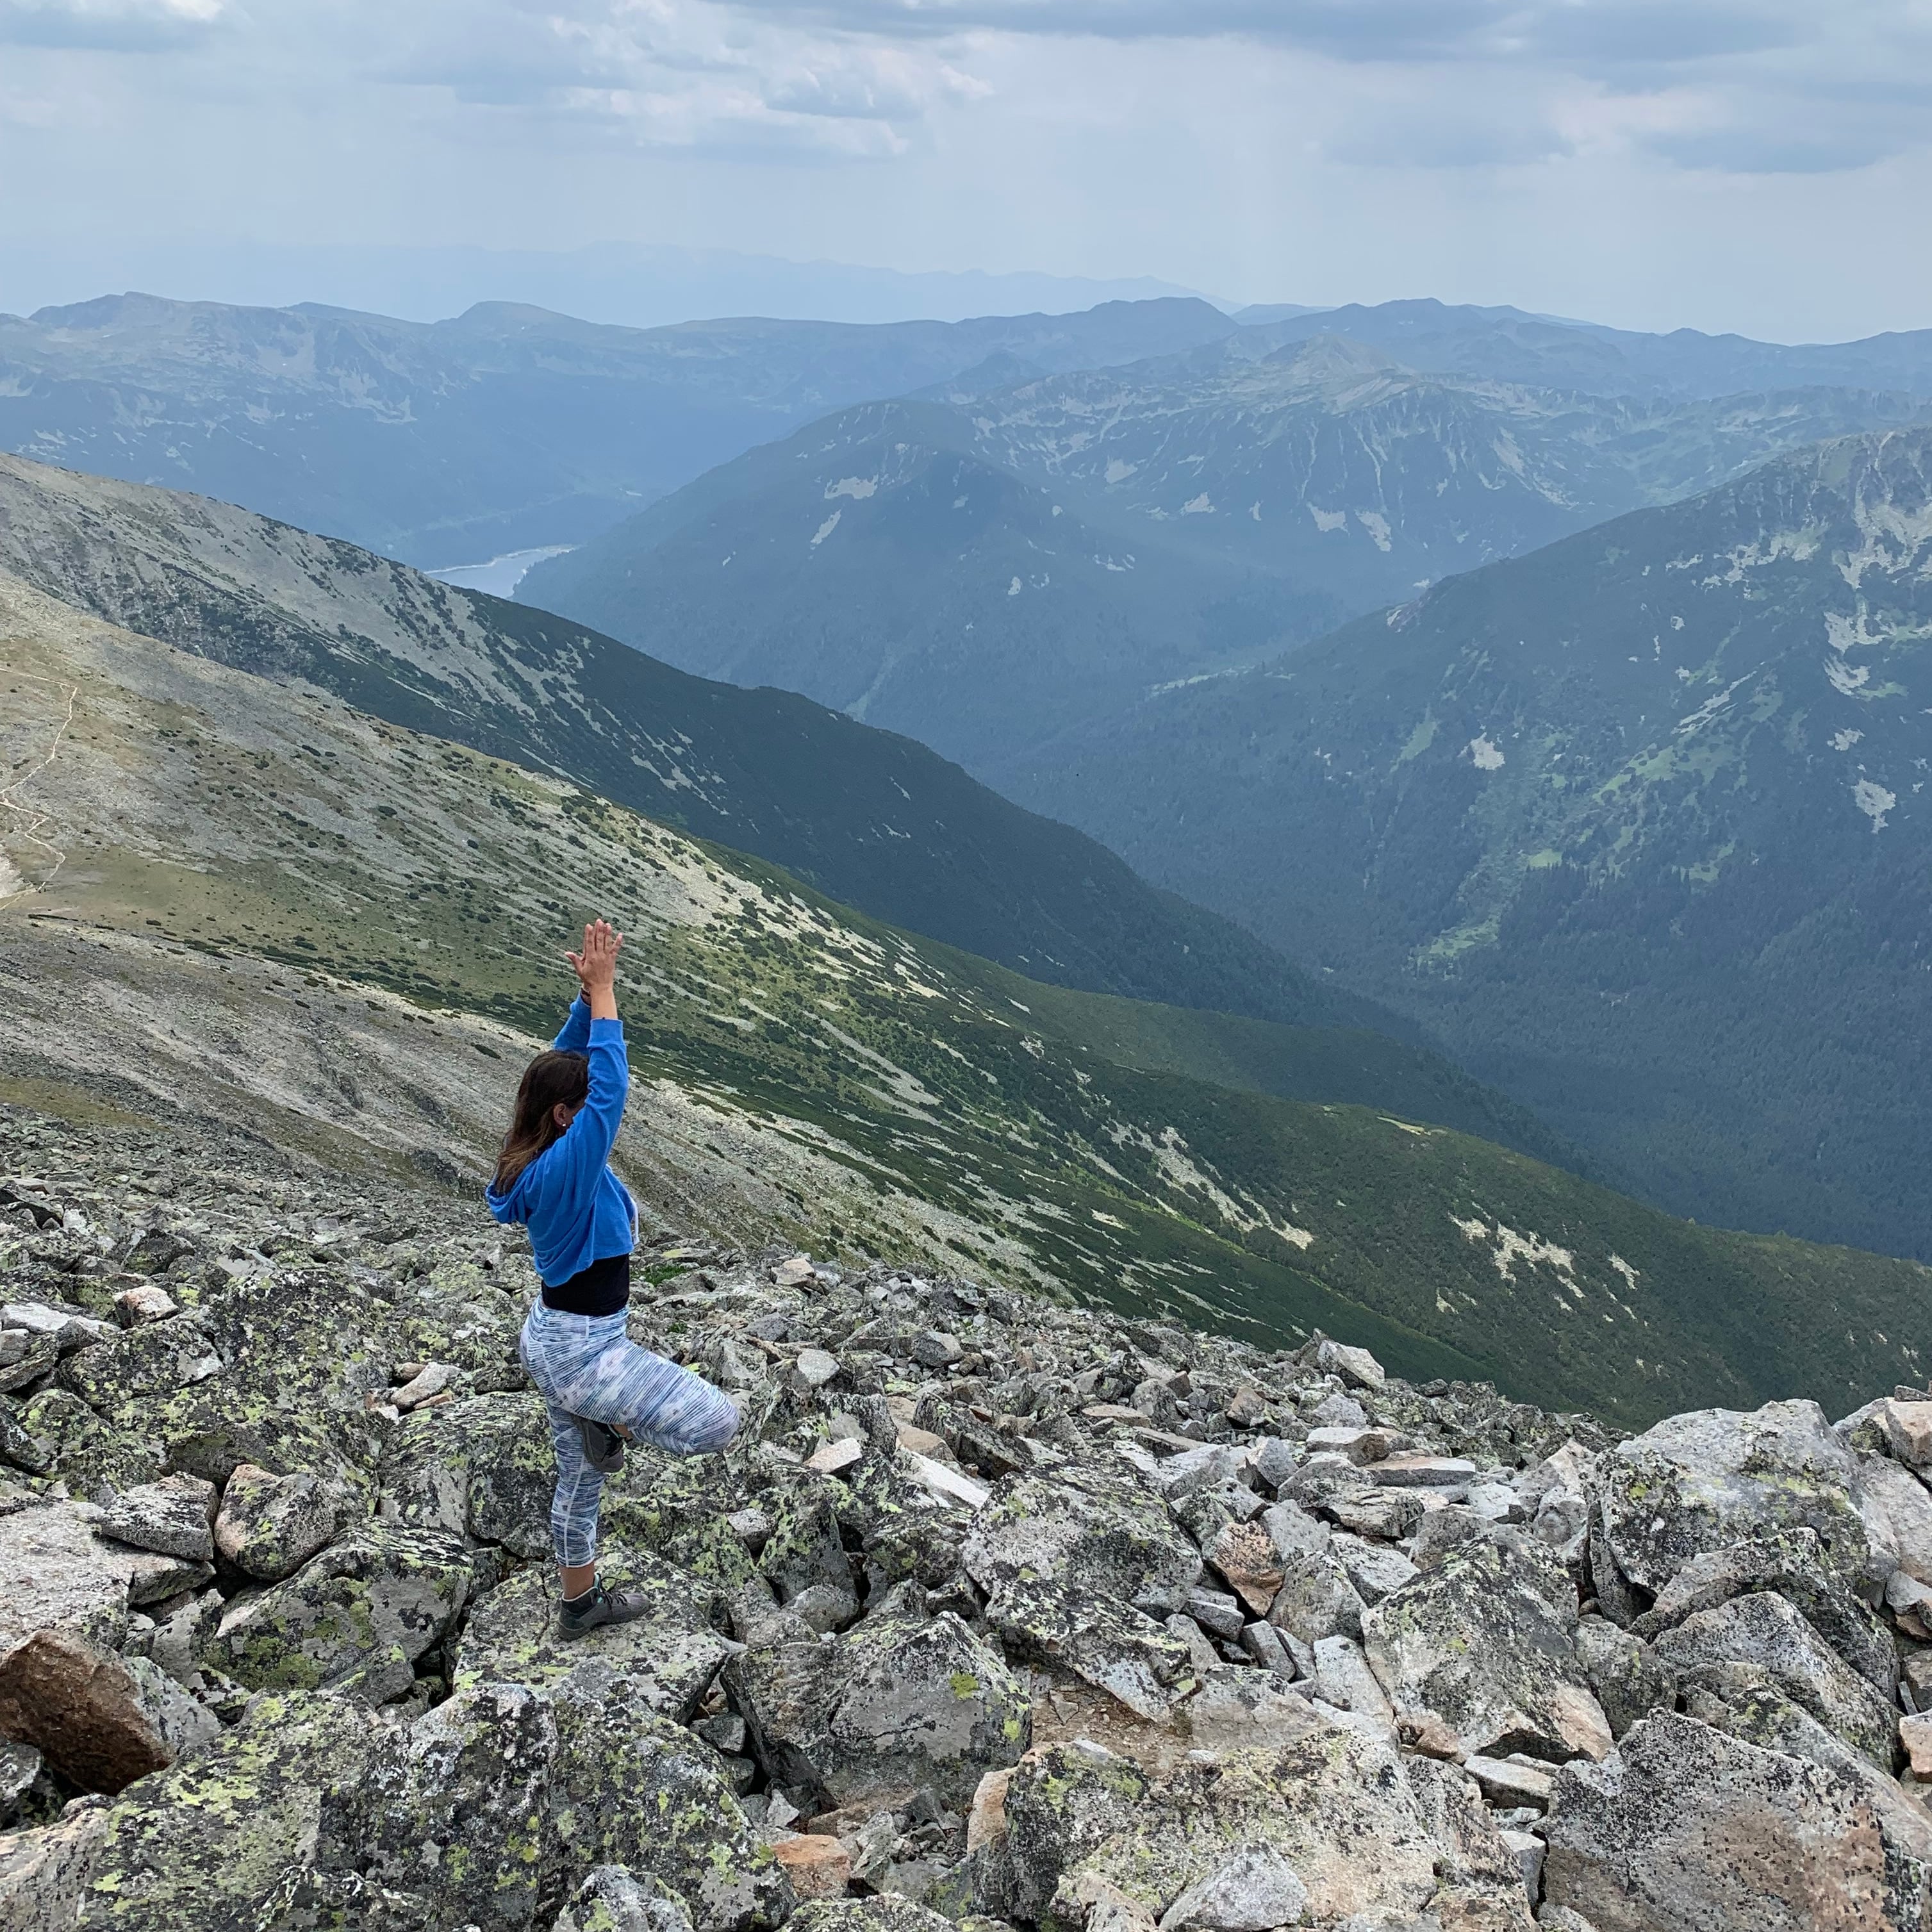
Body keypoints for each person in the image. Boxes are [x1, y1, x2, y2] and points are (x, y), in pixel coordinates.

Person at [486, 918, 740, 1637]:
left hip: (552, 1338)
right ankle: (614, 1417)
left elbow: (565, 1072)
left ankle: (579, 1605)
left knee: (580, 1482)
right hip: (585, 1353)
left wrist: (581, 1000)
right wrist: (606, 993)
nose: (591, 1107)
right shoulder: (568, 1169)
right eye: (582, 1104)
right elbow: (610, 1092)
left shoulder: (539, 1149)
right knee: (719, 1421)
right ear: (565, 1116)